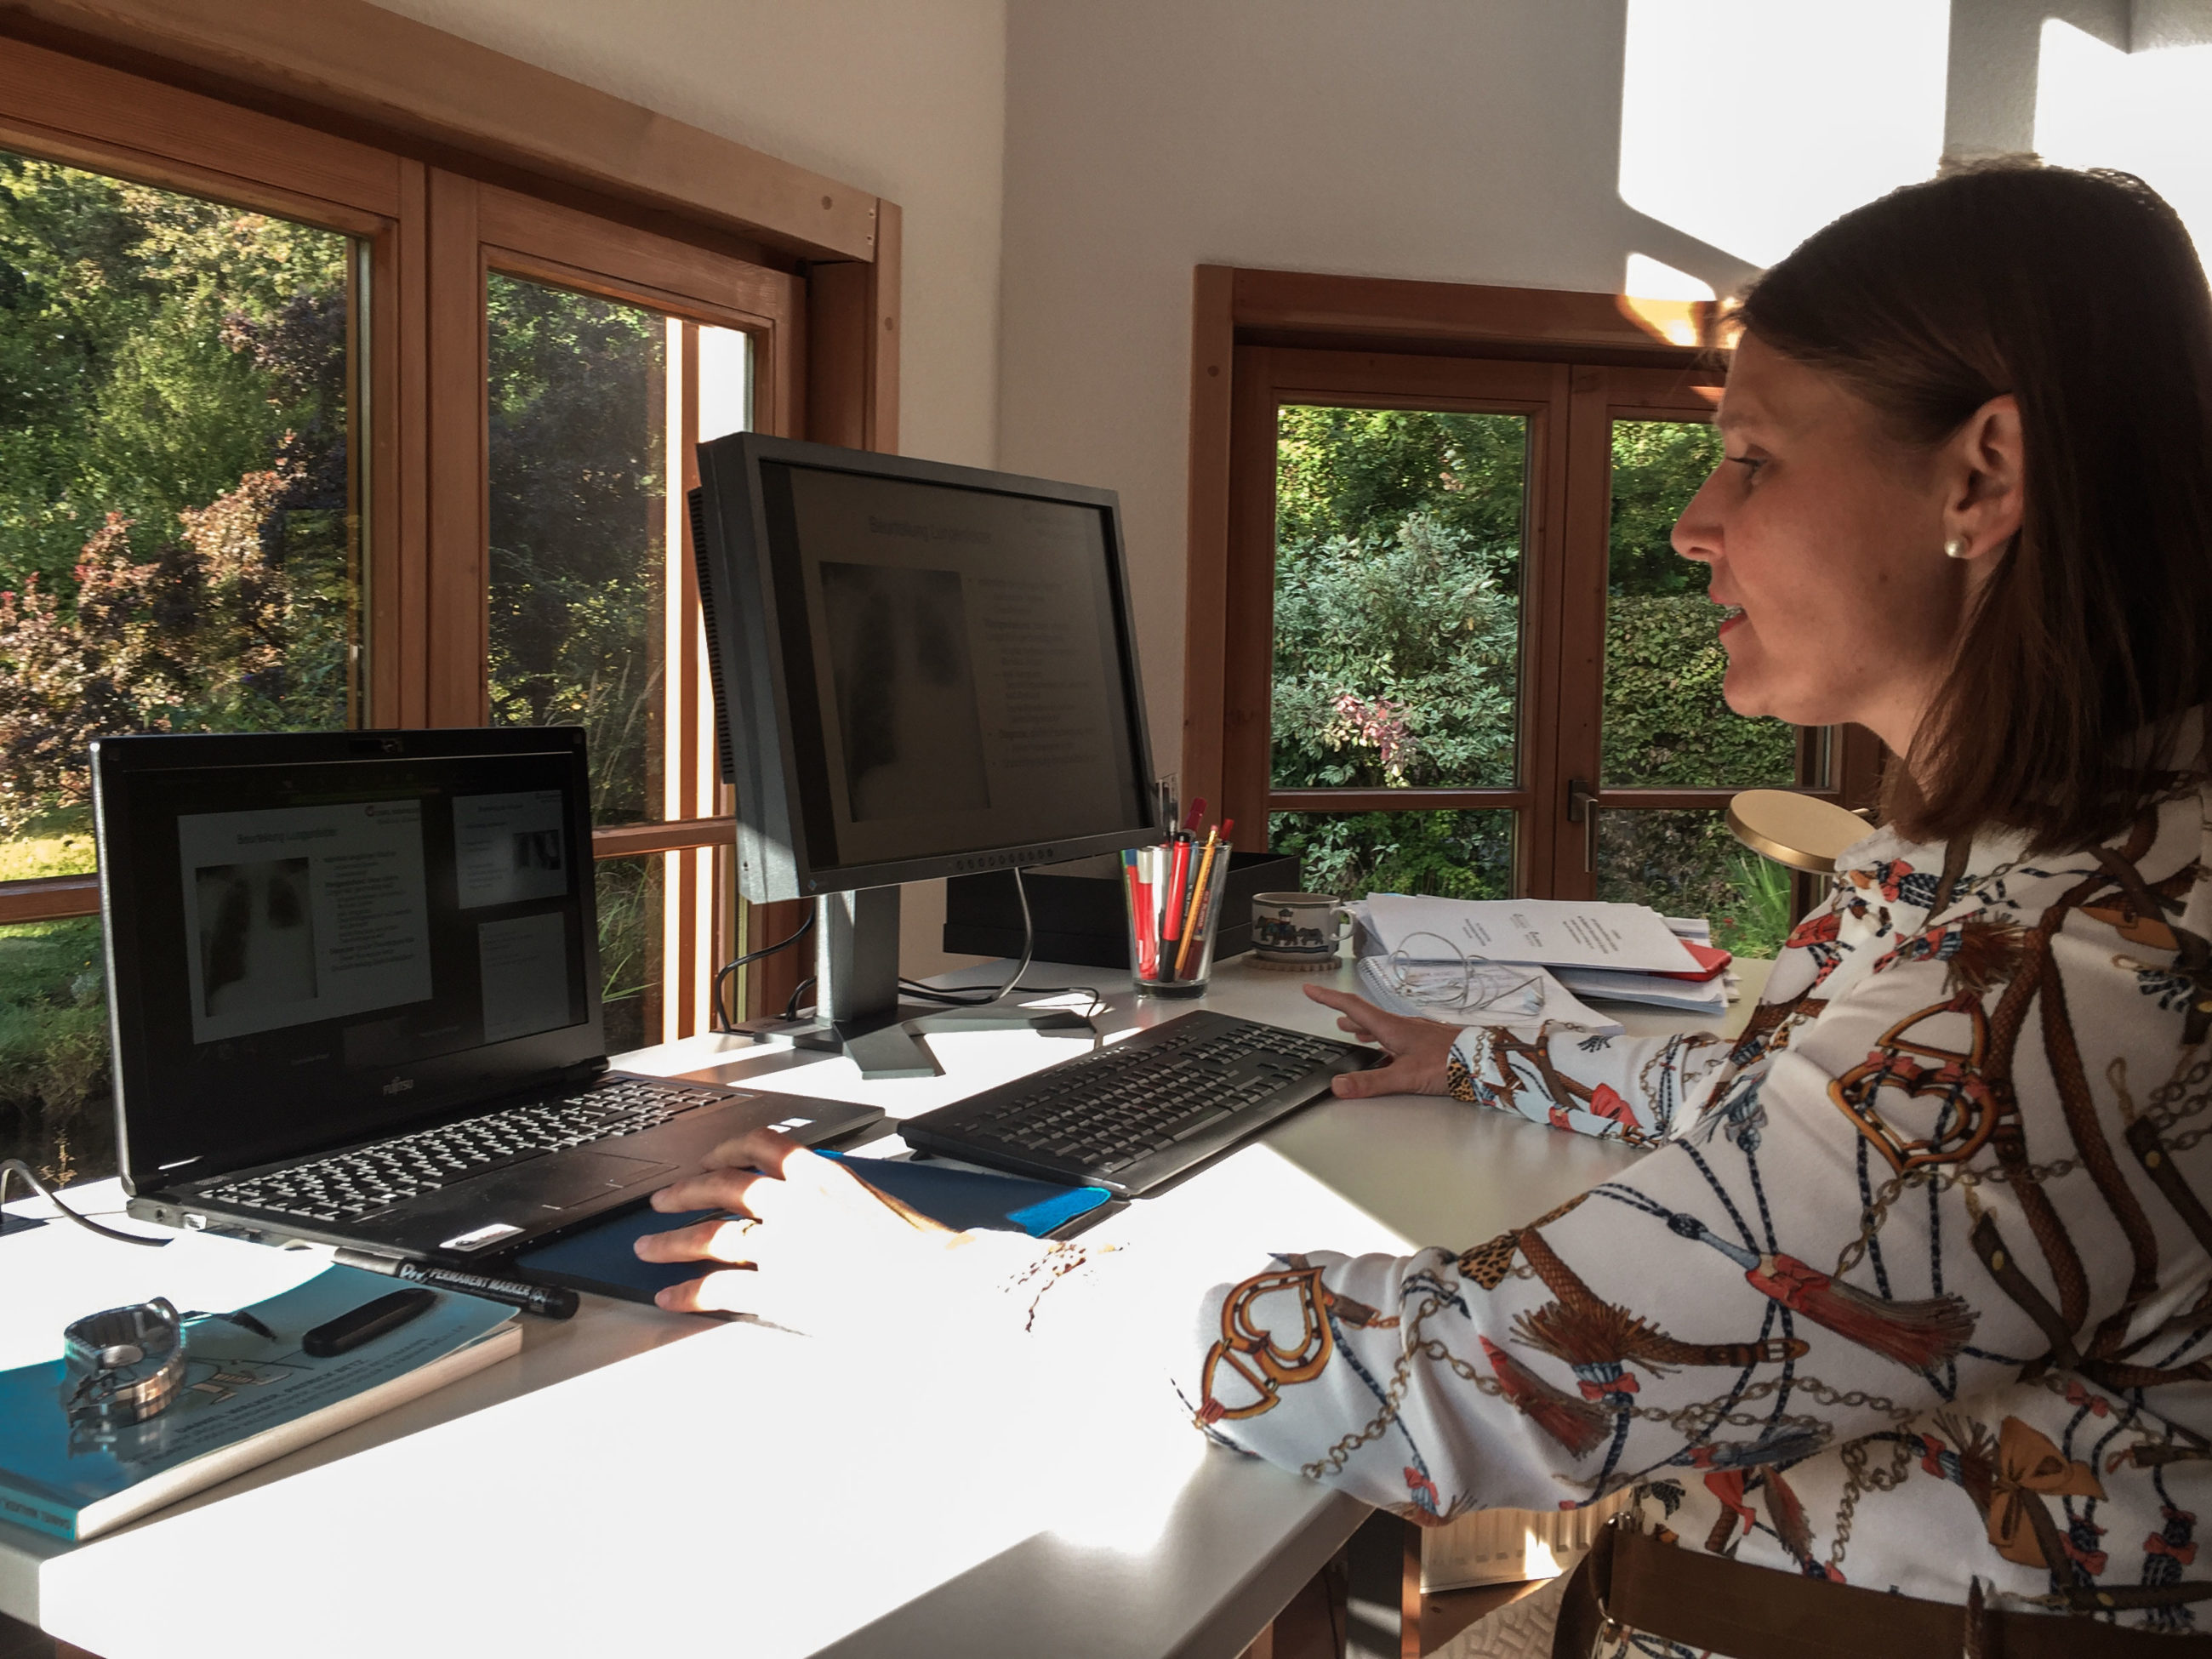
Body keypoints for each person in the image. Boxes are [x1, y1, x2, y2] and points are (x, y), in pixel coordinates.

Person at [636, 160, 2212, 1656]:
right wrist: (1491, 1059)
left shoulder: (2049, 974)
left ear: (1981, 473)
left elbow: (1499, 1376)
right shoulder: (2082, 870)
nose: (1693, 522)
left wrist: (963, 1292)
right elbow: (1820, 1125)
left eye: (1753, 454)